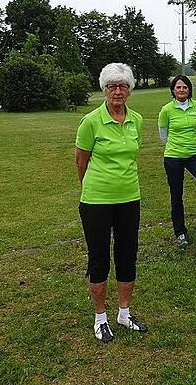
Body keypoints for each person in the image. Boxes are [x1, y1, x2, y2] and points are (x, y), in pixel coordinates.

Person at [75, 63, 147, 343]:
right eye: (112, 86)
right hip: (96, 201)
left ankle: (124, 313)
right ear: (104, 89)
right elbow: (81, 161)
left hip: (130, 198)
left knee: (128, 255)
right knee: (99, 258)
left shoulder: (137, 120)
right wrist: (93, 188)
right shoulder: (91, 121)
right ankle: (100, 317)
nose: (117, 91)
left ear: (129, 89)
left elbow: (132, 156)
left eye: (123, 86)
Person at [158, 75, 196, 247]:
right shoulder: (166, 110)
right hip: (173, 157)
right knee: (176, 196)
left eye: (185, 87)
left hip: (194, 155)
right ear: (173, 90)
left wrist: (190, 144)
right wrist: (177, 146)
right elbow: (163, 134)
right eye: (178, 87)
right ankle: (180, 232)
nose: (181, 90)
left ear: (189, 89)